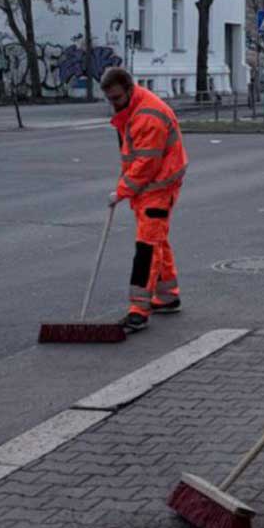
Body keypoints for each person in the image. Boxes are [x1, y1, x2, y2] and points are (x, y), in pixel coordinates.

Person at [101, 67, 188, 333]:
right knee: (157, 240)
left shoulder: (148, 116)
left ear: (129, 89)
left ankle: (138, 310)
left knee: (146, 249)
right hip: (150, 187)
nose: (113, 104)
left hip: (157, 188)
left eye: (116, 98)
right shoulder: (134, 108)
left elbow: (147, 163)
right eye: (109, 99)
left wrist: (122, 191)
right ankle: (167, 295)